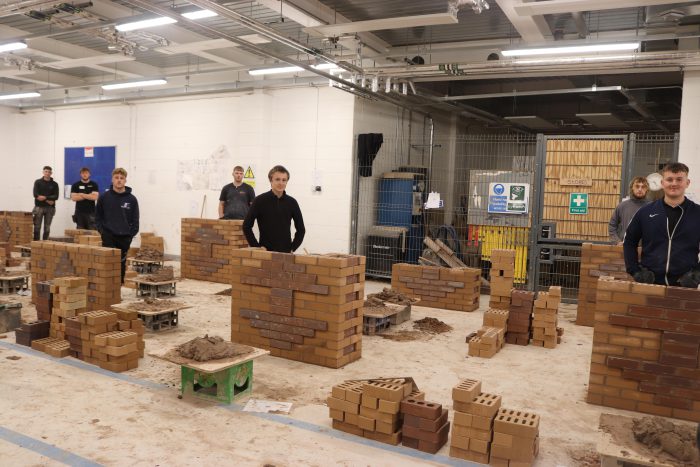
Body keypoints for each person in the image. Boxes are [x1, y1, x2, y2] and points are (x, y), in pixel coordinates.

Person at [624, 162, 700, 288]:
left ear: (687, 183)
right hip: (650, 285)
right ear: (662, 183)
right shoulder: (645, 212)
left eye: (679, 179)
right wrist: (635, 271)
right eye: (669, 179)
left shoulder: (697, 213)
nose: (674, 183)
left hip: (685, 287)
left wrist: (697, 274)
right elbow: (629, 241)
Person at [243, 165, 305, 253]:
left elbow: (301, 229)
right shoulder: (260, 200)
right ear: (271, 180)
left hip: (285, 253)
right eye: (277, 179)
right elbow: (246, 226)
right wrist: (256, 247)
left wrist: (292, 248)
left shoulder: (292, 202)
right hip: (265, 253)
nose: (281, 183)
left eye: (284, 180)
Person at [95, 168, 139, 283]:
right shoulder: (104, 197)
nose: (119, 180)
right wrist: (102, 232)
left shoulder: (132, 199)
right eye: (116, 178)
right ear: (112, 179)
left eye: (121, 178)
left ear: (125, 180)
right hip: (108, 236)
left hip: (124, 237)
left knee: (121, 264)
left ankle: (117, 289)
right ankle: (108, 287)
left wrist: (130, 235)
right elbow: (98, 217)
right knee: (109, 263)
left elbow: (135, 219)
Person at [608, 177, 650, 244]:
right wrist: (617, 241)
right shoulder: (622, 206)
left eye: (643, 187)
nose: (640, 189)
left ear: (647, 189)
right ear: (632, 188)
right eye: (637, 186)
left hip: (646, 249)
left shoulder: (652, 207)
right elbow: (612, 226)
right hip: (626, 247)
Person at [32, 166, 59, 241]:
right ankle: (36, 244)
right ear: (43, 172)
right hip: (39, 207)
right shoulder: (38, 182)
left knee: (47, 228)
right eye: (46, 171)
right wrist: (48, 200)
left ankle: (45, 244)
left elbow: (56, 196)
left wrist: (44, 197)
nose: (47, 173)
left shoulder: (54, 184)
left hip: (50, 208)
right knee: (37, 227)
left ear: (51, 173)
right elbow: (35, 195)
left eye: (49, 172)